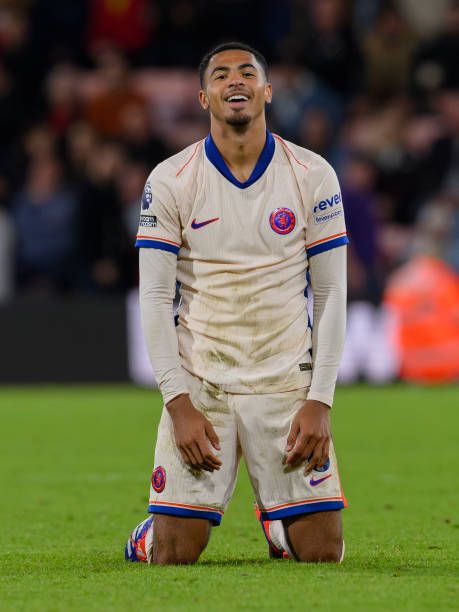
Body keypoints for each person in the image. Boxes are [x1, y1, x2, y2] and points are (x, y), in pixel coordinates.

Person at [125, 42, 348, 565]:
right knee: (174, 555)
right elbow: (156, 297)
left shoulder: (312, 174)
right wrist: (178, 403)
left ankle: (278, 529)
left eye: (248, 72)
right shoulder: (171, 179)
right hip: (205, 385)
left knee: (323, 554)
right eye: (221, 75)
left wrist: (321, 399)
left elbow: (332, 292)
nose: (235, 81)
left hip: (285, 382)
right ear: (204, 97)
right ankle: (148, 534)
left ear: (267, 91)